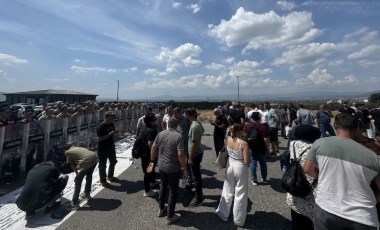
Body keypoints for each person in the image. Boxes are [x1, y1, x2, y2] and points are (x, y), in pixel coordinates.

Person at [304, 113, 380, 229]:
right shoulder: (373, 157)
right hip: (361, 217)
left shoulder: (320, 143)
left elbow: (307, 169)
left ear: (335, 125)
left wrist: (323, 177)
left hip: (325, 208)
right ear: (356, 129)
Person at [147, 118, 188, 225]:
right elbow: (180, 155)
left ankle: (161, 208)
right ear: (177, 125)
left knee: (163, 186)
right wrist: (184, 168)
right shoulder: (178, 136)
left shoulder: (160, 134)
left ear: (167, 124)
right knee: (173, 191)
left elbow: (153, 148)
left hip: (161, 166)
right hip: (173, 168)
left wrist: (152, 162)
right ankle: (170, 215)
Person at [286, 125, 321, 230]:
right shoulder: (314, 149)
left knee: (297, 220)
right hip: (309, 190)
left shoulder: (293, 144)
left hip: (295, 185)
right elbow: (311, 170)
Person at [216, 124, 250, 227]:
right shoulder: (244, 143)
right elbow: (247, 161)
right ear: (240, 131)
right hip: (240, 166)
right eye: (243, 130)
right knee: (240, 192)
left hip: (230, 164)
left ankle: (223, 213)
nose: (245, 131)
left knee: (227, 188)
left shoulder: (228, 139)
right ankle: (238, 220)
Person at [185, 108, 205, 207]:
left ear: (188, 115)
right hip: (197, 152)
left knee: (196, 177)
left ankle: (198, 198)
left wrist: (190, 157)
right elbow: (203, 131)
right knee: (196, 175)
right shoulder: (198, 123)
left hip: (195, 154)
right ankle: (199, 194)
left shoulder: (194, 126)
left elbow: (195, 143)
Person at [244, 112, 270, 185]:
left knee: (253, 163)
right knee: (263, 163)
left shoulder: (247, 125)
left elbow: (245, 135)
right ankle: (264, 178)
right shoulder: (262, 126)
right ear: (259, 118)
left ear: (252, 118)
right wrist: (268, 149)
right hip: (261, 147)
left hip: (251, 147)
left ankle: (254, 180)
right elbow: (266, 139)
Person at [97, 111, 119, 188]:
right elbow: (99, 139)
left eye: (113, 117)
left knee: (113, 161)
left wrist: (115, 133)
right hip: (102, 148)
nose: (112, 119)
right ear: (106, 117)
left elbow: (112, 133)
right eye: (111, 117)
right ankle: (103, 181)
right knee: (102, 164)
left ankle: (110, 176)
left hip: (111, 146)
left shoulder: (111, 124)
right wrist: (111, 134)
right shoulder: (101, 126)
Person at [141, 112, 159, 197]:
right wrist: (155, 155)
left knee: (151, 170)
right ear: (151, 122)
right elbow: (151, 144)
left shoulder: (145, 128)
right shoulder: (151, 130)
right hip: (148, 155)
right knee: (148, 172)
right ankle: (147, 191)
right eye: (155, 120)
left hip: (145, 154)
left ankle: (152, 182)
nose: (156, 121)